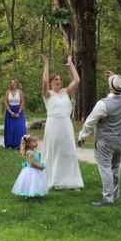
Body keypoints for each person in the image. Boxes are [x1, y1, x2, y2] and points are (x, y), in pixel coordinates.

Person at [78, 74, 121, 207]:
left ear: (110, 87)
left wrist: (82, 136)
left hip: (105, 141)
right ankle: (115, 195)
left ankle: (108, 198)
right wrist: (115, 76)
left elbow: (90, 122)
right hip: (120, 140)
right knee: (115, 167)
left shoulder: (103, 104)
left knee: (105, 168)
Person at [42, 54, 84, 190]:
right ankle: (54, 179)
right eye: (55, 79)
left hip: (66, 124)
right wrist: (46, 64)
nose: (58, 81)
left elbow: (77, 80)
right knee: (54, 151)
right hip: (53, 125)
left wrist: (70, 64)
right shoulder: (47, 94)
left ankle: (70, 181)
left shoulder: (66, 92)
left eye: (59, 79)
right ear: (51, 82)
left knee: (68, 152)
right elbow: (43, 82)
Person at [11, 134, 48, 199]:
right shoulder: (30, 153)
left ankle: (35, 193)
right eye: (34, 142)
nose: (36, 143)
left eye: (36, 141)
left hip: (35, 170)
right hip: (32, 170)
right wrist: (40, 167)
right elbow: (32, 164)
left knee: (35, 182)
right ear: (28, 144)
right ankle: (29, 193)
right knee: (31, 182)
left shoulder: (34, 151)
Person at [3, 79, 27, 149]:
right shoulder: (7, 92)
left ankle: (19, 145)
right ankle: (10, 144)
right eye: (11, 83)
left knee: (20, 128)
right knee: (10, 129)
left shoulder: (20, 92)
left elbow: (22, 102)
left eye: (14, 83)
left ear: (16, 84)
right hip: (10, 112)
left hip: (19, 111)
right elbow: (5, 102)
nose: (12, 84)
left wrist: (19, 112)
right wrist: (11, 112)